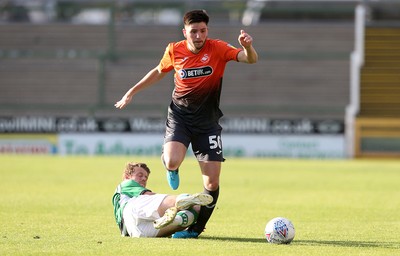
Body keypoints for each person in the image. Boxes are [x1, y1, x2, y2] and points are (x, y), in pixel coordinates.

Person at [115, 9, 258, 238]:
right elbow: (158, 72)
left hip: (208, 123)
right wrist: (131, 92)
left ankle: (195, 229)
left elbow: (250, 59)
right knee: (172, 161)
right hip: (180, 117)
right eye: (194, 32)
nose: (199, 35)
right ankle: (172, 167)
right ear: (185, 32)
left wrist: (248, 46)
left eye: (203, 31)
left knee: (211, 181)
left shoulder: (218, 48)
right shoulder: (174, 49)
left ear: (207, 31)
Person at [112, 161, 213, 238]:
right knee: (195, 208)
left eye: (146, 177)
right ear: (127, 176)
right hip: (131, 209)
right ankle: (184, 199)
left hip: (136, 231)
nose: (144, 178)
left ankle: (175, 220)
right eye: (140, 175)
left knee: (190, 214)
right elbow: (149, 195)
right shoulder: (126, 184)